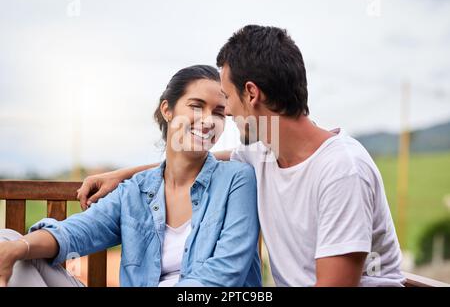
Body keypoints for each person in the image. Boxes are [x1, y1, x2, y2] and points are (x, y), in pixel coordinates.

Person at [77, 25, 406, 287]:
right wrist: (121, 175)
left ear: (251, 93)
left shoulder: (341, 170)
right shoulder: (264, 154)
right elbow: (203, 158)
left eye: (227, 98)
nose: (227, 111)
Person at [0, 65, 261, 287]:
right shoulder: (136, 190)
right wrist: (18, 248)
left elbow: (225, 273)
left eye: (218, 112)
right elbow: (77, 232)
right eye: (196, 106)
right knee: (10, 243)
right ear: (167, 110)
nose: (207, 120)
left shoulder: (237, 179)